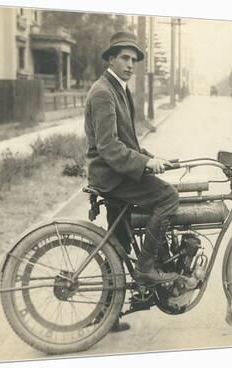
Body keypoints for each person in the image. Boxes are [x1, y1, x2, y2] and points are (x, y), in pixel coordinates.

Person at [84, 31, 180, 287]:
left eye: (134, 60)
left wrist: (151, 158)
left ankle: (108, 314)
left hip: (115, 172)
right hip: (112, 175)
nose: (130, 64)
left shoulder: (118, 89)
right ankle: (146, 269)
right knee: (168, 197)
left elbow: (127, 142)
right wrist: (144, 164)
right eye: (124, 58)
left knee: (118, 244)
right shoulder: (104, 92)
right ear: (110, 60)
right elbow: (109, 146)